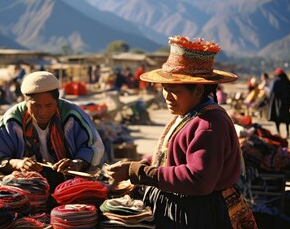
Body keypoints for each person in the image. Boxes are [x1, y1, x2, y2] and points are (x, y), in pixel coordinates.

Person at [106, 36, 256, 228]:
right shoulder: (189, 114)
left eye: (174, 90)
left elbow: (199, 180)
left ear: (198, 90)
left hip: (194, 214)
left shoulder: (209, 124)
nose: (167, 96)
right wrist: (140, 164)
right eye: (165, 89)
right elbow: (172, 154)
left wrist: (140, 172)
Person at [0, 71, 105, 191]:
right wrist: (18, 164)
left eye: (49, 106)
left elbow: (92, 147)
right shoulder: (12, 120)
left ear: (57, 101)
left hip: (70, 182)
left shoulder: (73, 115)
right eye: (35, 106)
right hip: (27, 186)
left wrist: (77, 163)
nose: (42, 112)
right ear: (25, 101)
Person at [268, 67, 290, 138]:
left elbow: (271, 92)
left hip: (277, 103)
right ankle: (288, 131)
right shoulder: (286, 81)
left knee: (277, 119)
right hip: (285, 104)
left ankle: (279, 133)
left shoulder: (275, 81)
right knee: (286, 118)